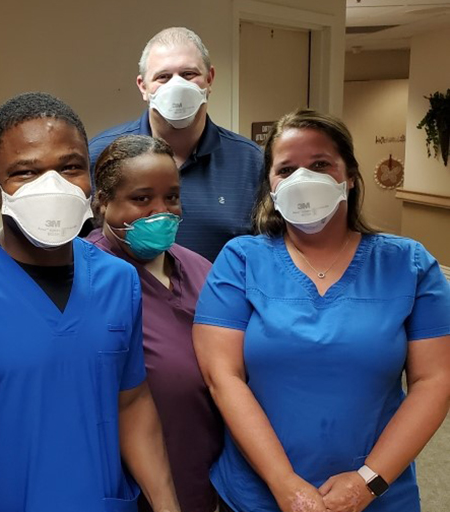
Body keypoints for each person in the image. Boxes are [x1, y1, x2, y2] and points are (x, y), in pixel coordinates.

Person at [0, 92, 181, 512]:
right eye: (26, 172)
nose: (53, 185)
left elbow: (132, 402)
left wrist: (167, 505)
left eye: (70, 167)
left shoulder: (118, 281)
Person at [192, 109, 450, 512]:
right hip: (259, 495)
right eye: (286, 169)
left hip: (378, 494)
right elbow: (223, 377)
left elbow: (434, 382)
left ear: (349, 175)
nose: (303, 180)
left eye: (320, 165)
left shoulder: (409, 265)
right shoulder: (241, 261)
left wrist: (367, 484)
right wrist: (285, 485)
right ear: (271, 186)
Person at [87, 134, 222, 512]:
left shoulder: (199, 268)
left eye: (172, 197)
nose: (161, 212)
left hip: (203, 471)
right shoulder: (88, 279)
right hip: (129, 486)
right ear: (103, 203)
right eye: (142, 199)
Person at [88, 27, 262, 262]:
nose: (177, 86)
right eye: (163, 77)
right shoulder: (101, 155)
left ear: (209, 79)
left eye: (189, 74)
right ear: (143, 86)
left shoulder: (249, 161)